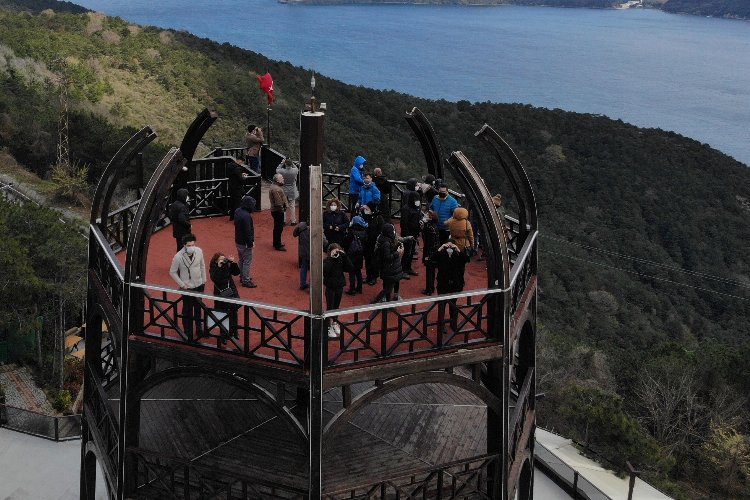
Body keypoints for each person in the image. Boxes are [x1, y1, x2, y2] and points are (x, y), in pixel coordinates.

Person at [169, 234, 206, 341]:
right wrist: (182, 284)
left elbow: (202, 265)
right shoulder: (178, 256)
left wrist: (204, 279)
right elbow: (172, 272)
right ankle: (187, 332)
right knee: (187, 310)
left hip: (199, 284)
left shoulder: (199, 251)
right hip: (187, 287)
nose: (192, 247)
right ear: (184, 245)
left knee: (198, 308)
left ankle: (199, 329)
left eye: (193, 244)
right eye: (189, 245)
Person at [435, 239, 470, 332]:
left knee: (453, 305)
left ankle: (453, 323)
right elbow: (431, 260)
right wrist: (440, 248)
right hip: (444, 284)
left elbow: (467, 259)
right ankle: (441, 325)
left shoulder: (458, 255)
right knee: (442, 306)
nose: (449, 248)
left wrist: (458, 249)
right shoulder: (441, 255)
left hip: (454, 284)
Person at [209, 252, 240, 343]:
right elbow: (216, 279)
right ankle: (223, 334)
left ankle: (234, 331)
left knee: (234, 312)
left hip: (231, 291)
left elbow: (236, 273)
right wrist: (219, 267)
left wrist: (233, 263)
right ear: (216, 261)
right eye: (220, 260)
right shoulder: (213, 268)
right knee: (223, 314)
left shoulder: (227, 265)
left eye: (224, 259)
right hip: (221, 293)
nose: (223, 261)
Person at [323, 243, 352, 338]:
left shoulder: (341, 259)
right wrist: (331, 258)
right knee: (329, 307)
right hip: (330, 287)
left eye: (337, 250)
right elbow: (326, 270)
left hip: (339, 286)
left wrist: (345, 256)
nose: (336, 253)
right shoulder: (327, 260)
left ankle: (334, 322)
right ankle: (328, 326)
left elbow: (350, 268)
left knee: (336, 306)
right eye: (334, 251)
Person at [371, 223, 404, 303]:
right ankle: (376, 301)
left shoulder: (385, 240)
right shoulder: (386, 243)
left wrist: (397, 247)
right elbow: (387, 257)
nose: (394, 231)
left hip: (389, 268)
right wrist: (397, 252)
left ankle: (386, 302)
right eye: (392, 230)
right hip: (389, 268)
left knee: (388, 287)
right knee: (388, 288)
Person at [400, 178, 422, 276]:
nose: (417, 201)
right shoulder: (406, 209)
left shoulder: (416, 208)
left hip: (414, 233)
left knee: (411, 251)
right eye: (416, 200)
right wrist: (407, 235)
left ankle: (408, 268)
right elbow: (403, 223)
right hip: (408, 234)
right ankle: (403, 269)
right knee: (407, 252)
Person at [234, 195, 257, 288]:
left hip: (238, 240)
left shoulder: (237, 211)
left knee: (241, 259)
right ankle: (245, 280)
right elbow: (248, 231)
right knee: (247, 261)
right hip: (245, 242)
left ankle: (242, 276)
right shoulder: (246, 216)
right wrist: (251, 242)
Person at [344, 215, 368, 295]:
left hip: (351, 254)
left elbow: (346, 243)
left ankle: (352, 289)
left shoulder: (351, 231)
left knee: (351, 272)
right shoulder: (364, 232)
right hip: (360, 254)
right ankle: (359, 288)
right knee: (358, 272)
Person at [362, 202, 384, 285]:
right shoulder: (366, 217)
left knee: (374, 261)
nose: (365, 210)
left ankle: (374, 277)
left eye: (367, 209)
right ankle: (368, 276)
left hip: (375, 243)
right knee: (367, 260)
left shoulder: (379, 218)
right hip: (366, 242)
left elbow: (380, 231)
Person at [421, 210, 440, 295]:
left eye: (428, 215)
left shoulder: (428, 228)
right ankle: (431, 288)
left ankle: (428, 290)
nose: (426, 216)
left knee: (429, 272)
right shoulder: (434, 226)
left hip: (429, 252)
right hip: (435, 252)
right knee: (432, 271)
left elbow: (426, 241)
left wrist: (426, 256)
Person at [276, 158, 300, 225]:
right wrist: (292, 163)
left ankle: (283, 221)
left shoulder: (282, 171)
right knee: (292, 206)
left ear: (286, 164)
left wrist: (282, 162)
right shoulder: (295, 170)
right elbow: (296, 167)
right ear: (291, 164)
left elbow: (277, 169)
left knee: (283, 206)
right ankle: (293, 221)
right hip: (292, 190)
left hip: (284, 190)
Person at [168, 188, 191, 252]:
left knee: (179, 246)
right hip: (183, 231)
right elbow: (182, 220)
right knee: (184, 248)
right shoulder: (182, 207)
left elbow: (171, 216)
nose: (188, 197)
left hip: (176, 230)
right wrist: (189, 225)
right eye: (186, 195)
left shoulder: (174, 204)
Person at [269, 173, 287, 251]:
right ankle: (277, 245)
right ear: (277, 180)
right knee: (278, 228)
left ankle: (276, 242)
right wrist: (282, 209)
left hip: (276, 210)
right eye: (281, 178)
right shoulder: (276, 189)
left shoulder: (275, 187)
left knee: (277, 227)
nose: (283, 179)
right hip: (278, 211)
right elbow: (278, 202)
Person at [293, 221, 311, 290]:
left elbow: (294, 234)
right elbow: (325, 242)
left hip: (303, 251)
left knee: (304, 267)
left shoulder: (301, 225)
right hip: (313, 251)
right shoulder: (317, 227)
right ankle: (311, 286)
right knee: (313, 269)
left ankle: (302, 284)